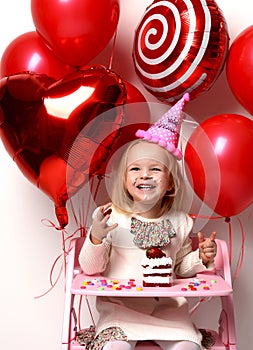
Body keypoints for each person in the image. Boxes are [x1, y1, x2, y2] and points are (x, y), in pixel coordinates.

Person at [78, 94, 217, 350]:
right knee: (114, 348)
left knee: (190, 348)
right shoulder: (111, 216)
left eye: (155, 169)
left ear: (170, 183)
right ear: (124, 180)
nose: (145, 175)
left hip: (168, 312)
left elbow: (181, 267)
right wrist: (96, 236)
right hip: (120, 310)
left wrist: (202, 259)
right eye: (135, 169)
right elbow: (90, 269)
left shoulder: (180, 221)